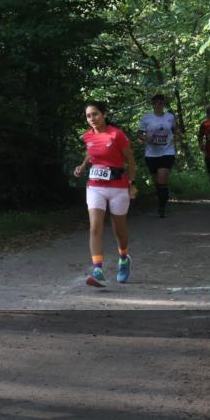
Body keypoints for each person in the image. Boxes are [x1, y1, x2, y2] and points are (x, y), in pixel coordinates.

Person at [73, 102, 138, 287]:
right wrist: (83, 165)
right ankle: (98, 270)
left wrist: (132, 184)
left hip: (118, 187)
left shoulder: (116, 135)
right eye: (88, 116)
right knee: (95, 227)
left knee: (119, 230)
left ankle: (124, 258)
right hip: (95, 187)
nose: (92, 119)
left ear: (104, 114)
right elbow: (91, 151)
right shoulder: (87, 136)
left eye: (95, 114)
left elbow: (131, 161)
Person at [137, 93, 179, 218]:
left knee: (162, 177)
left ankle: (162, 207)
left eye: (162, 102)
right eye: (157, 102)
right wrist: (147, 139)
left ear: (164, 104)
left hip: (167, 151)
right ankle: (162, 197)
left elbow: (175, 130)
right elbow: (139, 133)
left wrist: (176, 137)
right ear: (153, 104)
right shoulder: (146, 118)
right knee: (157, 181)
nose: (159, 104)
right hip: (151, 154)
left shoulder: (170, 117)